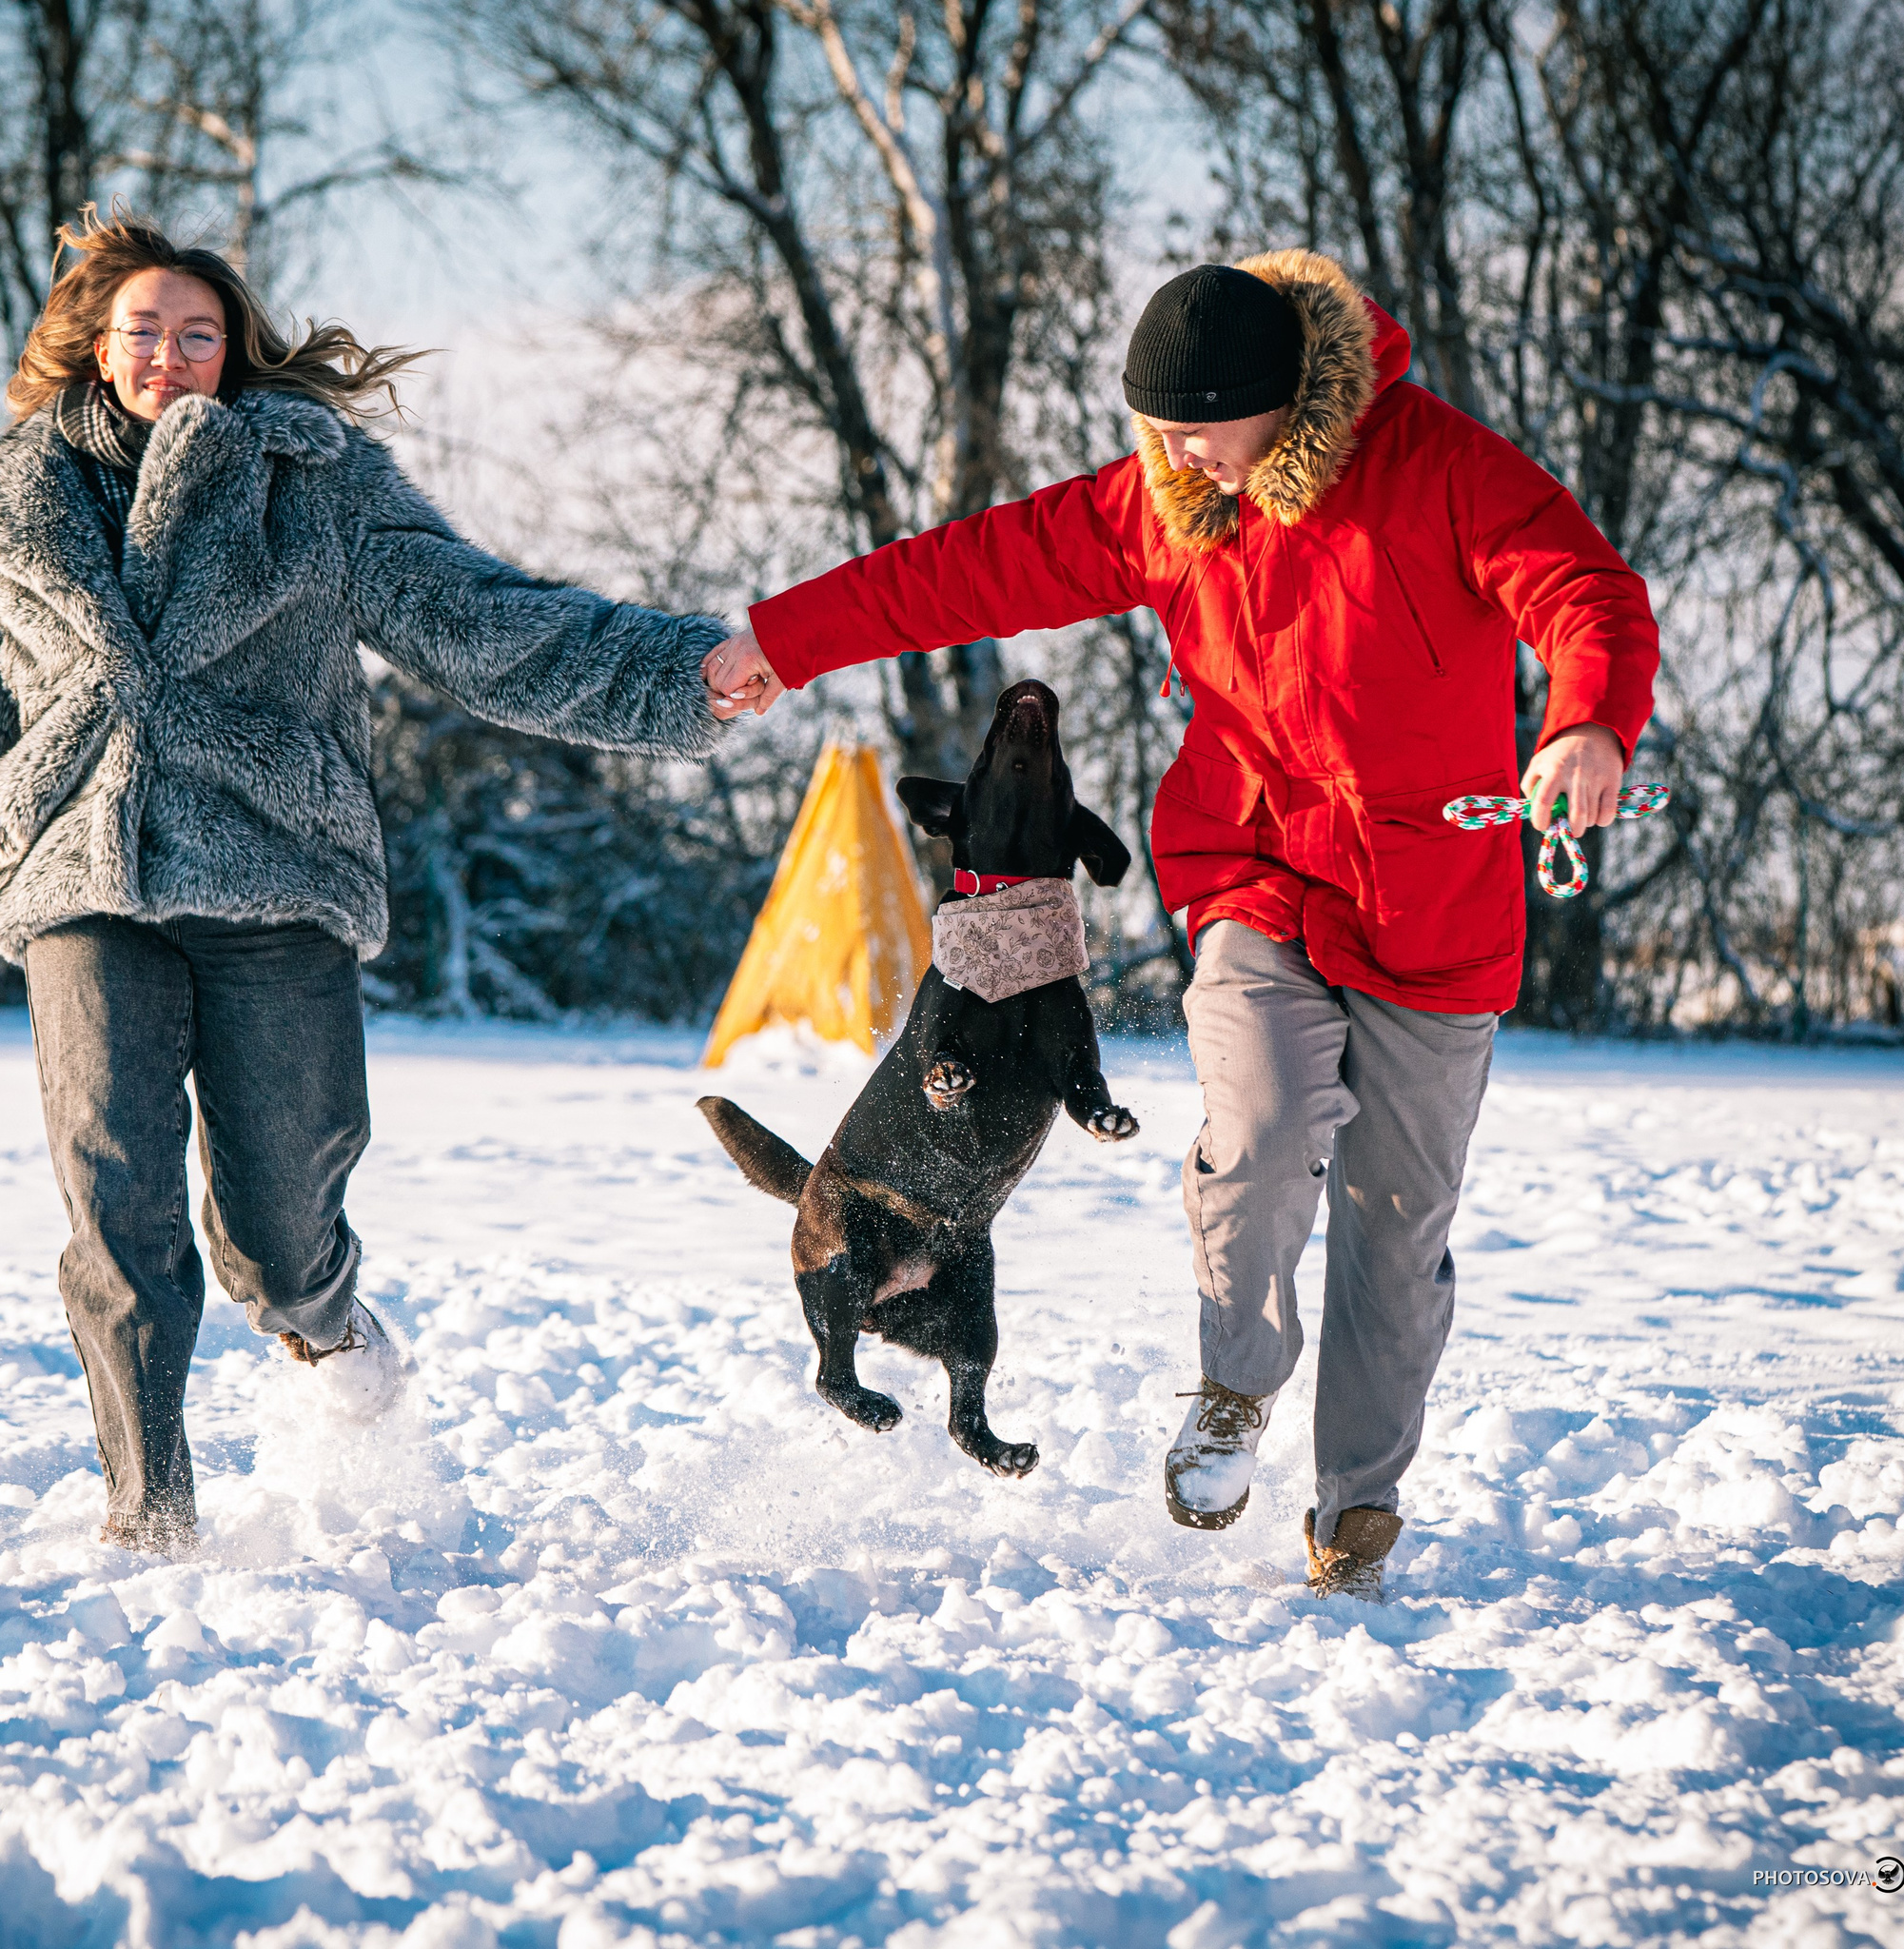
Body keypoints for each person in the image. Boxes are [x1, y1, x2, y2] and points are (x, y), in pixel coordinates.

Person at [0, 207, 733, 1554]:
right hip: (87, 879)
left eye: (197, 333)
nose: (169, 353)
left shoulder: (310, 481)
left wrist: (673, 674)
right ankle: (148, 1515)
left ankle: (325, 1328)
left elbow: (478, 617)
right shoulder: (14, 505)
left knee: (277, 1232)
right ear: (97, 348)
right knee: (118, 1206)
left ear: (232, 354)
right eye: (144, 331)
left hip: (279, 880)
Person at [700, 249, 1659, 1599]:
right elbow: (966, 571)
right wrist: (781, 640)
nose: (1170, 452)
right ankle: (1232, 1391)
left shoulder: (1442, 470)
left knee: (1397, 1218)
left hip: (1435, 908)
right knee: (1258, 1132)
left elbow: (1583, 591)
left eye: (1196, 426)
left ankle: (1358, 1503)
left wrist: (1586, 723)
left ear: (1286, 402)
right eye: (1153, 426)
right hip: (1257, 870)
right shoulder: (1168, 499)